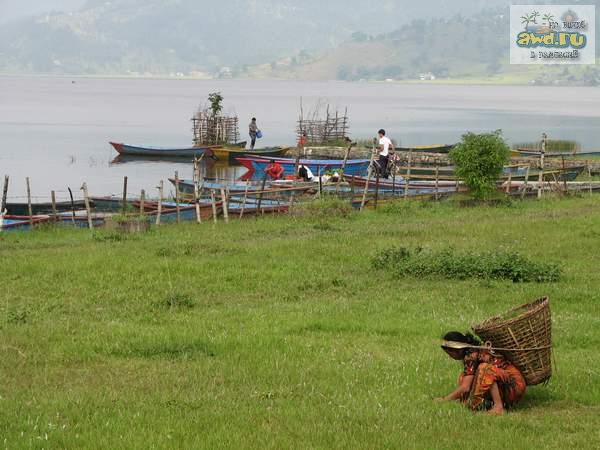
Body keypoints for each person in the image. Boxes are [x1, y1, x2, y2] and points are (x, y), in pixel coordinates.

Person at [437, 331, 526, 415]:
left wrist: (445, 399)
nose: (450, 357)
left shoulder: (471, 355)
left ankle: (498, 407)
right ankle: (476, 403)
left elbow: (465, 387)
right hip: (506, 385)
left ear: (459, 350)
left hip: (514, 386)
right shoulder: (472, 352)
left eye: (450, 354)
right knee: (464, 376)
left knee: (485, 369)